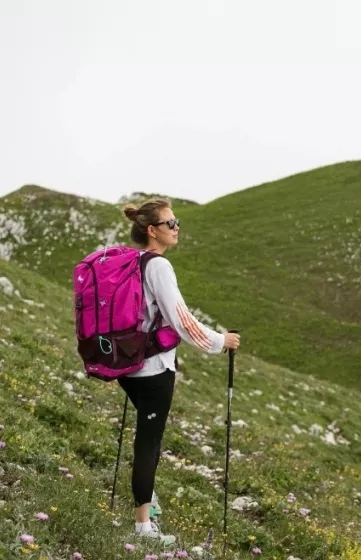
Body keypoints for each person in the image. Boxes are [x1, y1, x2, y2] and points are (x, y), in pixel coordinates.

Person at [117, 198, 240, 545]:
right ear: (152, 230)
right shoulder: (157, 266)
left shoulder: (133, 260)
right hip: (153, 369)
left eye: (177, 221)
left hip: (129, 365)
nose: (177, 227)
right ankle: (143, 526)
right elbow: (181, 319)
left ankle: (147, 506)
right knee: (148, 443)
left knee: (147, 439)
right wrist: (220, 341)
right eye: (170, 223)